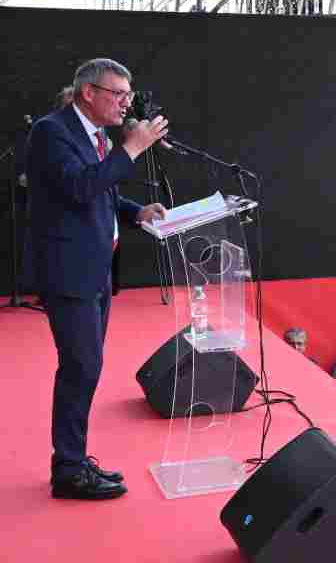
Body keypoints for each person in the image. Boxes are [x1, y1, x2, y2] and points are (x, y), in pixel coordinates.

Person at [27, 57, 168, 500]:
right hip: (68, 273)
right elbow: (78, 187)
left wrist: (135, 212)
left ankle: (73, 458)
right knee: (81, 367)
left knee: (87, 368)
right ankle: (68, 469)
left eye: (128, 95)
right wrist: (132, 149)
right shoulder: (51, 132)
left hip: (96, 271)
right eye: (118, 95)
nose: (126, 103)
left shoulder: (96, 136)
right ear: (89, 93)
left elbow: (103, 193)